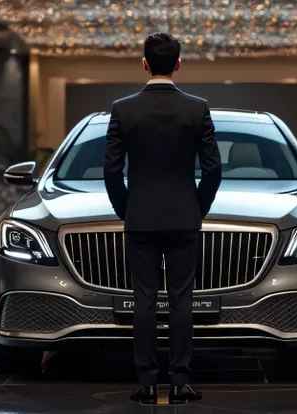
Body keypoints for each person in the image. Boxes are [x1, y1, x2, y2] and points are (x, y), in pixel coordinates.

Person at [103, 32, 222, 405]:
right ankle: (181, 382)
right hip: (184, 218)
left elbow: (110, 170)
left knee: (144, 301)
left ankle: (147, 383)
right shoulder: (197, 108)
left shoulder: (123, 109)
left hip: (140, 218)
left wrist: (127, 208)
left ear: (144, 63)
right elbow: (213, 169)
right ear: (178, 64)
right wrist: (196, 207)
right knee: (181, 301)